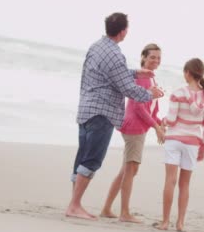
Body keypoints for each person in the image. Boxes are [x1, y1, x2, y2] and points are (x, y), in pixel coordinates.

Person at [65, 12, 164, 220]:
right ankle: (74, 205)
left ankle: (74, 203)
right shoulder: (115, 53)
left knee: (82, 157)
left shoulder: (96, 47)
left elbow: (111, 75)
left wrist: (137, 73)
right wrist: (149, 94)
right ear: (123, 31)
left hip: (86, 108)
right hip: (103, 112)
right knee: (92, 160)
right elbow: (127, 88)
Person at [100, 43, 165, 223]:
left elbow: (151, 109)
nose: (156, 61)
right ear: (143, 57)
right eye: (152, 57)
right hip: (134, 126)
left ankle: (106, 208)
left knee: (127, 170)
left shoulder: (151, 79)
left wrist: (160, 123)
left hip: (139, 126)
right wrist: (156, 127)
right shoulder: (141, 78)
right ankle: (125, 213)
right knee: (131, 169)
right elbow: (138, 108)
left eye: (159, 58)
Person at [155, 58, 204, 232]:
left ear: (187, 73)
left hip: (174, 140)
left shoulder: (178, 92)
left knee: (170, 181)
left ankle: (165, 222)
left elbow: (171, 120)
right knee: (184, 184)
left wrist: (162, 122)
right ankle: (180, 223)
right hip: (193, 143)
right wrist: (203, 148)